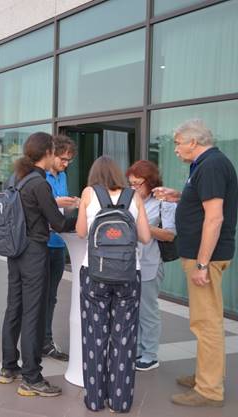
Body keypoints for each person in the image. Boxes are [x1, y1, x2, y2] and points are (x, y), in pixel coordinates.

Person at [153, 119, 237, 408]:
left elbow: (215, 218)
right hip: (204, 256)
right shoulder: (205, 165)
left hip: (207, 259)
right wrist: (178, 197)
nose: (175, 149)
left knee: (206, 323)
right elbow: (203, 205)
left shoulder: (212, 165)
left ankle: (209, 390)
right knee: (205, 321)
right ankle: (206, 374)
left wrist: (202, 264)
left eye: (178, 143)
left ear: (193, 142)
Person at [0, 132, 76, 397]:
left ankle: (9, 367)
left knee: (15, 307)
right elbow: (59, 223)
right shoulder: (39, 184)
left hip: (16, 251)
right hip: (33, 252)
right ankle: (32, 377)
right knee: (33, 313)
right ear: (48, 153)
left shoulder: (21, 179)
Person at [76, 156, 151, 413]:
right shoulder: (134, 196)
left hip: (94, 274)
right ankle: (120, 401)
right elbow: (145, 237)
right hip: (130, 275)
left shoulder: (88, 193)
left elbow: (81, 232)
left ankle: (95, 400)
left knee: (94, 336)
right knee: (125, 337)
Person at [125, 160, 176, 372]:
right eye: (131, 184)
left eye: (138, 184)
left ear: (151, 181)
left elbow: (169, 235)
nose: (134, 188)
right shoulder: (130, 200)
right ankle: (136, 349)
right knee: (131, 309)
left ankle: (150, 354)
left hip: (150, 263)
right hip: (129, 263)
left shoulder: (164, 202)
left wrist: (143, 226)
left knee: (147, 311)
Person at [43, 134, 79, 362]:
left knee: (51, 297)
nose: (65, 164)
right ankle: (35, 341)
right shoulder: (38, 176)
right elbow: (35, 202)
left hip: (58, 242)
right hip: (39, 243)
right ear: (51, 154)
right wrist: (58, 202)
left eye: (68, 161)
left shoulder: (62, 176)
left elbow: (60, 208)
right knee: (36, 296)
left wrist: (70, 205)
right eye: (62, 159)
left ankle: (45, 341)